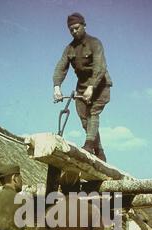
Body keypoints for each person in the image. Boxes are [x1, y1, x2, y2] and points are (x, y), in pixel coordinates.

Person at [53, 12, 112, 162]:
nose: (74, 31)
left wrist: (92, 87)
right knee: (84, 119)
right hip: (82, 86)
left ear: (84, 26)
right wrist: (57, 87)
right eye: (71, 29)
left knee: (93, 113)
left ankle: (89, 145)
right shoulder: (69, 49)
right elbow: (61, 67)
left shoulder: (95, 43)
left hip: (100, 84)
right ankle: (99, 151)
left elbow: (100, 66)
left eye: (77, 28)